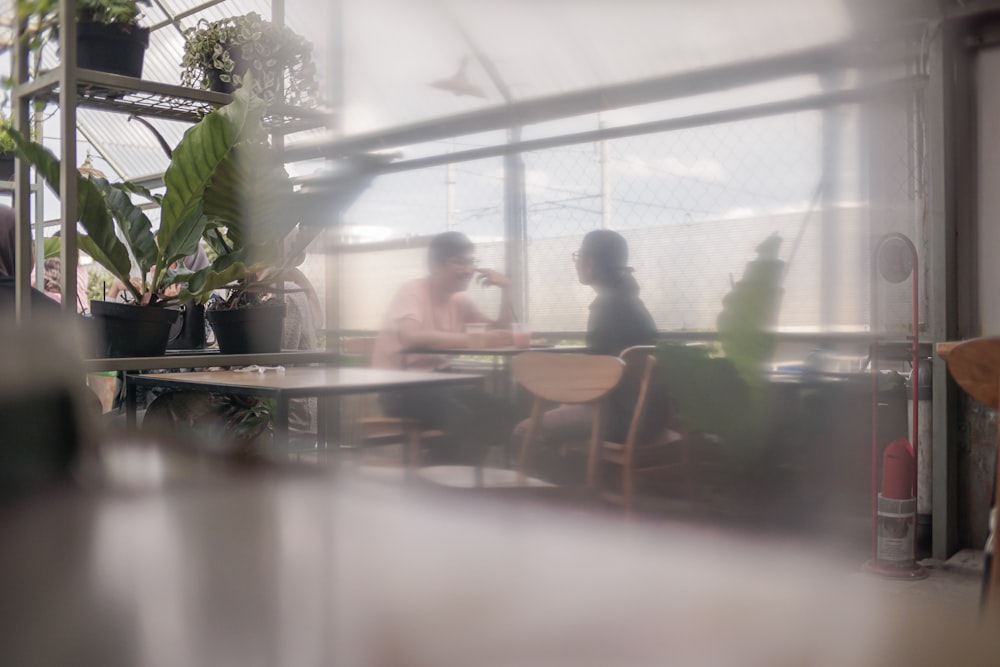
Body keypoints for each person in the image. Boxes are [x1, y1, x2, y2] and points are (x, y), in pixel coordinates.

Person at [511, 229, 659, 478]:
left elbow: (596, 381)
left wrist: (562, 391)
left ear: (588, 264)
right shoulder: (631, 301)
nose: (577, 262)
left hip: (620, 415)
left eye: (579, 256)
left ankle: (562, 498)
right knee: (554, 405)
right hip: (652, 412)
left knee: (524, 432)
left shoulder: (607, 306)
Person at [370, 231, 513, 463]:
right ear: (436, 264)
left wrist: (507, 289)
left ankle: (439, 468)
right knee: (468, 422)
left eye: (471, 262)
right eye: (460, 262)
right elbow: (410, 337)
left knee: (503, 412)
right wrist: (474, 340)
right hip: (399, 389)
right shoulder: (413, 290)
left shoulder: (460, 301)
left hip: (440, 384)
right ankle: (442, 482)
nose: (468, 270)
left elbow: (499, 332)